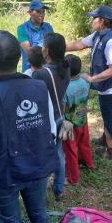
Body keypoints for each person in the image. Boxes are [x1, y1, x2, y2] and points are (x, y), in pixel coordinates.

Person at [0, 30, 58, 223]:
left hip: (5, 173)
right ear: (19, 58)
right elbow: (51, 131)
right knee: (40, 216)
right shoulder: (39, 86)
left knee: (10, 222)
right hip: (37, 166)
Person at [66, 5, 112, 161]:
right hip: (105, 84)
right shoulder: (97, 35)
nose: (92, 20)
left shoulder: (111, 41)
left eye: (94, 18)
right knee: (107, 113)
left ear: (103, 21)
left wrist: (92, 79)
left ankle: (111, 151)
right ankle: (104, 139)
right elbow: (79, 45)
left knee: (109, 117)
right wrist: (60, 48)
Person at [32, 33, 70, 201]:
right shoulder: (67, 66)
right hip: (61, 115)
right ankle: (59, 188)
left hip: (47, 121)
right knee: (58, 153)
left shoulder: (41, 74)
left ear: (46, 50)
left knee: (41, 156)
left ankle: (39, 193)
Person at [63, 54, 94, 185]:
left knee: (70, 151)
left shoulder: (65, 87)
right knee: (84, 143)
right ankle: (89, 163)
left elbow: (63, 108)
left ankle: (72, 178)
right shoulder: (85, 81)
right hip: (83, 120)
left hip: (70, 125)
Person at [17, 0, 54, 72]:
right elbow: (29, 52)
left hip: (47, 69)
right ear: (30, 12)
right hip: (30, 69)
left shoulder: (48, 27)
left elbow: (52, 47)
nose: (42, 15)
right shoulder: (22, 29)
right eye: (38, 12)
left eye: (43, 12)